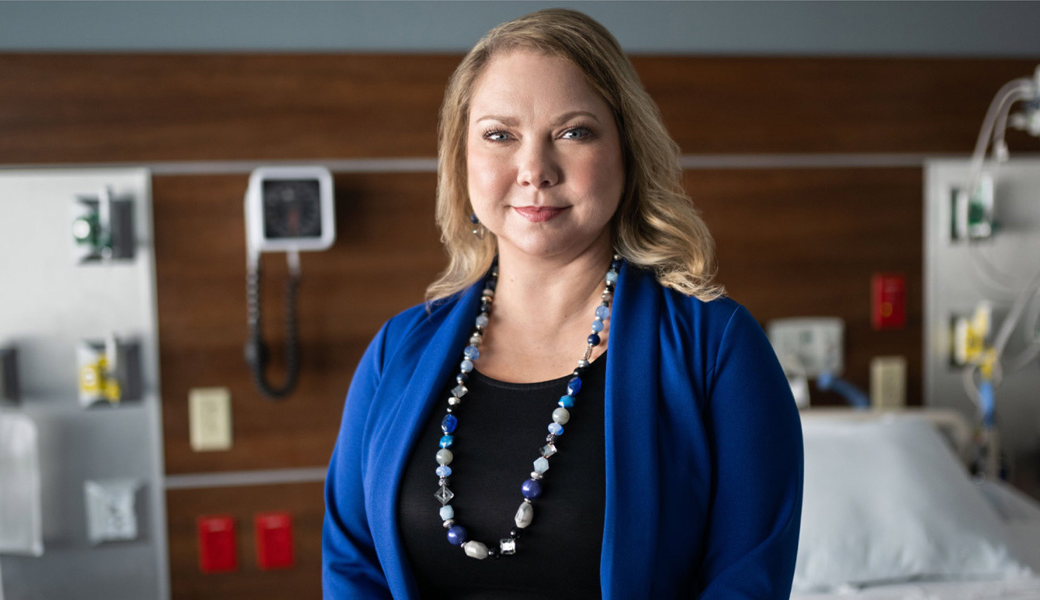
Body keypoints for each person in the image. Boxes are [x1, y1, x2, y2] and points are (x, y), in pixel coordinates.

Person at [323, 8, 802, 599]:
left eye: (573, 132)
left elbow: (745, 582)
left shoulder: (717, 347)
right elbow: (352, 564)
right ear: (461, 159)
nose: (534, 170)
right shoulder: (397, 350)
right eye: (500, 135)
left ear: (627, 150)